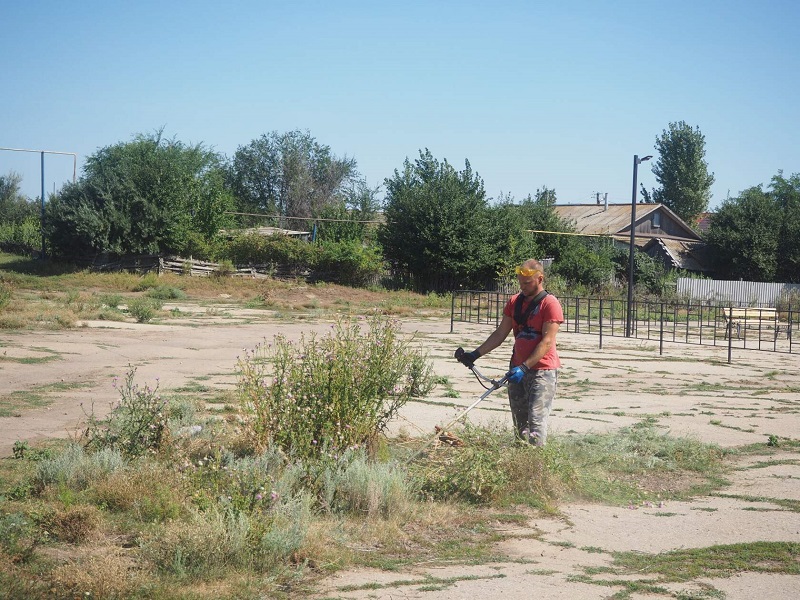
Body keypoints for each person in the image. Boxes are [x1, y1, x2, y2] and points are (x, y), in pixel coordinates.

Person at [456, 259, 564, 445]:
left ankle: (536, 469)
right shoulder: (514, 302)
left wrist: (524, 366)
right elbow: (500, 333)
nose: (522, 286)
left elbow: (547, 342)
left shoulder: (550, 304)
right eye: (520, 282)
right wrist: (475, 354)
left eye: (527, 283)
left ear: (540, 279)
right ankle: (521, 463)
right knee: (520, 424)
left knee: (536, 424)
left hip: (542, 372)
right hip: (517, 371)